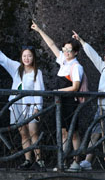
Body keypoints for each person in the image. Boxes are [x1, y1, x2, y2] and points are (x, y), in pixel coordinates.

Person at [0, 36, 45, 171]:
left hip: (31, 106)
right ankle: (27, 160)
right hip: (17, 105)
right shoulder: (17, 68)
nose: (27, 58)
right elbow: (3, 59)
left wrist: (38, 108)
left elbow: (39, 90)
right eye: (24, 56)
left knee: (33, 132)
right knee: (23, 133)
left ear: (33, 57)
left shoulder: (37, 72)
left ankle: (39, 160)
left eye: (29, 56)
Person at [31, 20, 85, 172]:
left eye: (69, 50)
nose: (66, 52)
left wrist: (58, 91)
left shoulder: (76, 67)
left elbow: (75, 87)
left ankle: (76, 162)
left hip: (70, 102)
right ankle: (63, 161)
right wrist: (39, 30)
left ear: (75, 52)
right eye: (65, 49)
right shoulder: (63, 62)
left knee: (73, 132)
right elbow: (52, 45)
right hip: (61, 101)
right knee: (62, 132)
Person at [73, 30, 105, 172]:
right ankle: (87, 161)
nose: (104, 56)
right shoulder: (104, 68)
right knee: (95, 133)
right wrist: (81, 41)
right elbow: (93, 56)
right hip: (101, 107)